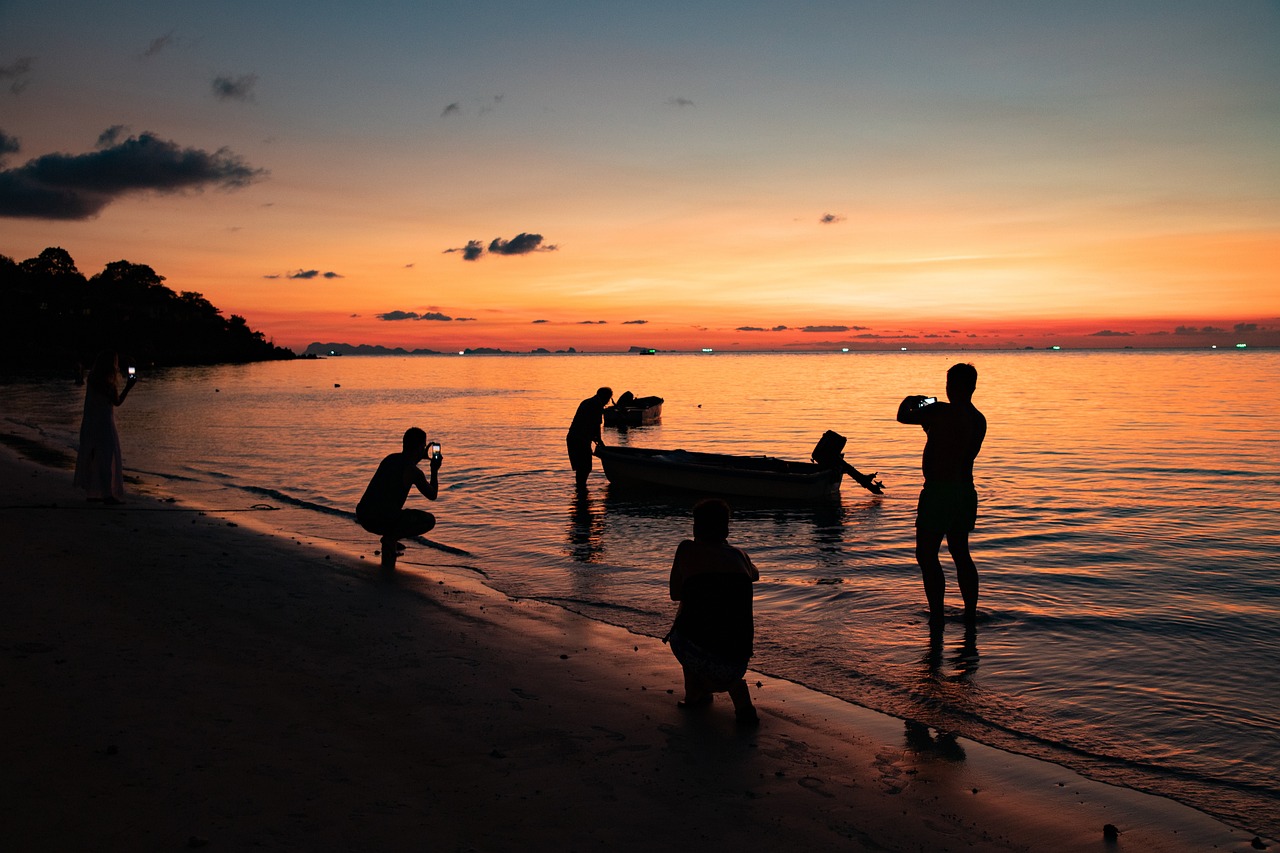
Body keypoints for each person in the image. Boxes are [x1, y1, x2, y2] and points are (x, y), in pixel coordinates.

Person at [897, 362, 987, 623]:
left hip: (939, 492)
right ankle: (970, 614)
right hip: (965, 492)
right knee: (960, 553)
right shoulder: (978, 418)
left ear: (952, 386)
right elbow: (948, 439)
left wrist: (912, 399)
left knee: (926, 554)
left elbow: (903, 415)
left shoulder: (940, 411)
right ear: (973, 387)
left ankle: (937, 615)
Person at [666, 498, 760, 726]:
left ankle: (695, 691)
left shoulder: (686, 548)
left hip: (699, 651)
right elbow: (754, 575)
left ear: (695, 528)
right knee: (719, 603)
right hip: (738, 658)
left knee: (684, 614)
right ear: (726, 529)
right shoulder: (741, 555)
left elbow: (676, 593)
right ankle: (729, 686)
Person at [356, 427, 442, 569]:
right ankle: (391, 538)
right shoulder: (413, 471)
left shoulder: (390, 459)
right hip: (382, 519)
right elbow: (432, 495)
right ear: (421, 447)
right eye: (423, 445)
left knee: (392, 511)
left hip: (364, 515)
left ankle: (391, 537)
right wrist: (434, 470)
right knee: (429, 520)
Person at [73, 350, 137, 504]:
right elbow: (117, 402)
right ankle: (107, 494)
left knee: (93, 455)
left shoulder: (92, 379)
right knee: (107, 457)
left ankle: (93, 493)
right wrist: (129, 386)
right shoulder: (107, 384)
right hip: (104, 423)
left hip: (90, 422)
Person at [566, 386, 612, 489]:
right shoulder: (597, 405)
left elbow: (587, 423)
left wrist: (595, 439)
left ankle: (580, 490)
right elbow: (596, 425)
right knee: (585, 467)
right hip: (580, 439)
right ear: (607, 398)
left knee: (581, 468)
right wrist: (599, 441)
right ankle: (581, 489)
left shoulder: (586, 402)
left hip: (573, 438)